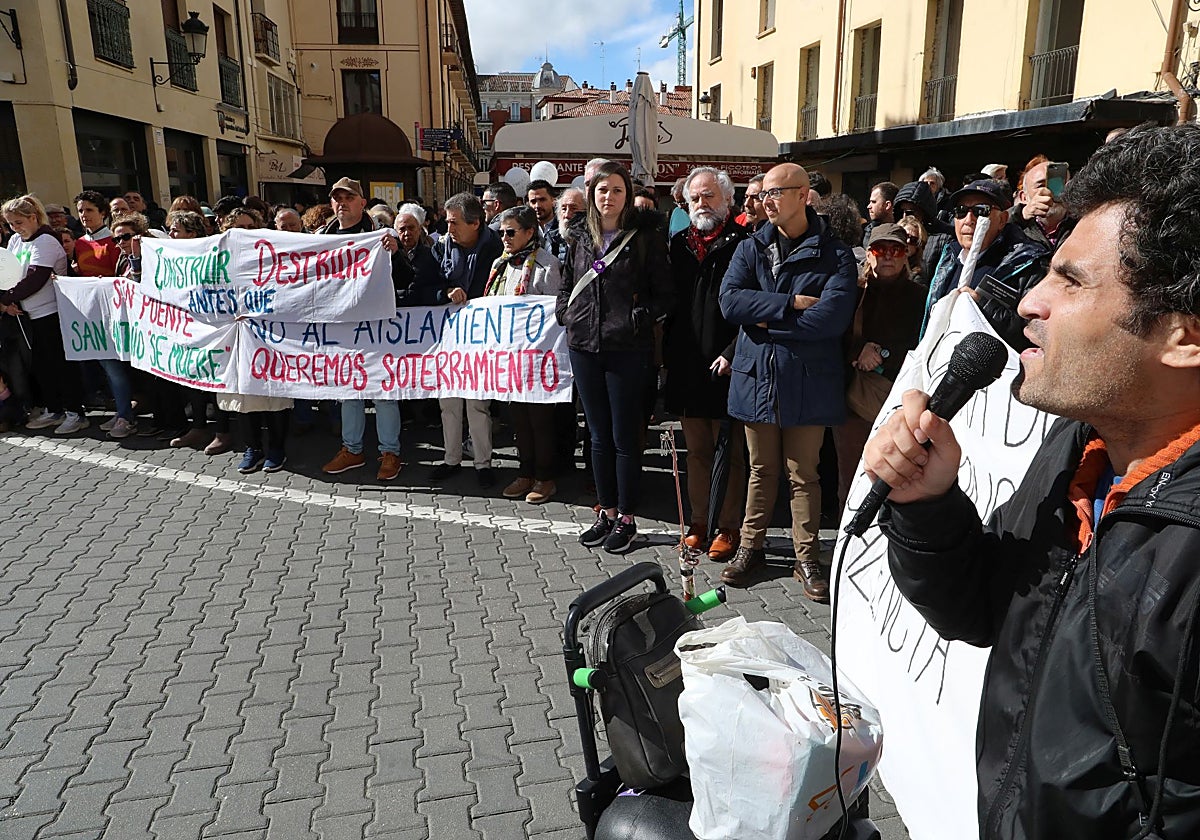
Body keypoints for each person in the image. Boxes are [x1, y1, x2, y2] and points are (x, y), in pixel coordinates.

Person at [863, 122, 1200, 840]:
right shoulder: (1082, 448)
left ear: (1185, 335)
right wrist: (928, 508)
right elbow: (990, 608)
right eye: (1049, 269)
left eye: (1070, 281)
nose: (1027, 303)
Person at [717, 163, 858, 598]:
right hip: (757, 377)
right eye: (764, 194)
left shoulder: (835, 253)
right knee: (761, 469)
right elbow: (729, 302)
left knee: (804, 474)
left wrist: (764, 322)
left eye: (777, 192)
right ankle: (750, 548)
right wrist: (788, 303)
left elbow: (831, 319)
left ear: (803, 196)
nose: (767, 201)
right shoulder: (750, 248)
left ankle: (806, 558)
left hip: (808, 380)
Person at [557, 162, 672, 553]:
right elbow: (568, 283)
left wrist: (636, 318)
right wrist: (565, 313)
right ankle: (605, 511)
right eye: (603, 190)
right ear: (593, 194)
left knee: (625, 438)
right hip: (584, 346)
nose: (609, 197)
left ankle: (627, 516)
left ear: (627, 195)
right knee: (597, 435)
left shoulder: (645, 237)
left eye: (617, 190)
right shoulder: (579, 236)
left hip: (627, 349)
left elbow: (665, 295)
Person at [664, 166, 749, 562]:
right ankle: (699, 522)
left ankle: (729, 525)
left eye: (709, 196)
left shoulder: (744, 243)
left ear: (727, 201)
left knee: (729, 452)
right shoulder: (678, 244)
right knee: (696, 451)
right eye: (694, 198)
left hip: (727, 364)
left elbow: (753, 309)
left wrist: (733, 352)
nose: (701, 203)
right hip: (687, 364)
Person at [834, 223, 925, 506]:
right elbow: (833, 336)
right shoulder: (852, 293)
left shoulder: (920, 296)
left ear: (906, 255)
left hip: (901, 402)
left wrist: (883, 355)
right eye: (880, 249)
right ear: (869, 254)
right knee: (850, 478)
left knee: (898, 479)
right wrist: (858, 350)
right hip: (854, 401)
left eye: (895, 249)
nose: (887, 256)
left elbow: (924, 345)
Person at [487, 206, 563, 504]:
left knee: (540, 420)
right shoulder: (500, 265)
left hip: (538, 358)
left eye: (510, 232)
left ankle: (545, 477)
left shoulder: (547, 266)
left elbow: (554, 312)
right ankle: (525, 472)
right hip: (510, 357)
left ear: (530, 232)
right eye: (501, 232)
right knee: (519, 419)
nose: (504, 238)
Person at [923, 178, 1051, 350]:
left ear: (1002, 219)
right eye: (960, 211)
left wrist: (983, 306)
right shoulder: (948, 258)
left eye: (981, 211)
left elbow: (1032, 333)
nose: (969, 220)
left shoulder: (1027, 264)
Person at [430, 192, 504, 487]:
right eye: (447, 222)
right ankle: (451, 459)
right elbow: (429, 283)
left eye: (454, 222)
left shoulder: (497, 250)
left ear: (475, 223)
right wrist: (445, 291)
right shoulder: (440, 248)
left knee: (477, 404)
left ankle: (482, 462)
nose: (449, 228)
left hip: (482, 338)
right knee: (448, 402)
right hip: (447, 339)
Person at [1, 195, 88, 434]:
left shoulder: (47, 241)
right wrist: (6, 302)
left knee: (60, 364)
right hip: (26, 314)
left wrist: (7, 299)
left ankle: (75, 413)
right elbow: (8, 273)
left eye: (19, 222)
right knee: (41, 366)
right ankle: (54, 409)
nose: (15, 228)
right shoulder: (16, 241)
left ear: (33, 217)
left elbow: (36, 279)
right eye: (10, 224)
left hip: (51, 312)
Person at [163, 210, 234, 455]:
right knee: (191, 377)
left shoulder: (212, 254)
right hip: (187, 326)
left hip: (215, 328)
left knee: (216, 380)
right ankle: (199, 427)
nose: (170, 234)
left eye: (176, 230)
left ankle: (223, 432)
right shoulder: (170, 257)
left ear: (191, 233)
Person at [1011, 155, 1075, 251]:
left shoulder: (1084, 223)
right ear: (1024, 197)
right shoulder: (1013, 229)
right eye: (1041, 185)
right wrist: (1020, 215)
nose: (1049, 191)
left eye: (1056, 183)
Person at [391, 203, 445, 307]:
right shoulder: (388, 257)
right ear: (395, 231)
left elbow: (437, 285)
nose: (407, 233)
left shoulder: (431, 256)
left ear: (419, 230)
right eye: (402, 229)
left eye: (411, 228)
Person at [73, 191, 120, 277]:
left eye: (89, 210)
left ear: (102, 213)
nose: (84, 215)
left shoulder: (115, 240)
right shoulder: (79, 243)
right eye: (80, 211)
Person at [546, 186, 584, 265]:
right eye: (563, 209)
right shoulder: (552, 241)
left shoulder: (593, 244)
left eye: (573, 208)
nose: (567, 215)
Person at [861, 180, 898, 246]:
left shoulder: (902, 233)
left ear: (887, 205)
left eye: (873, 202)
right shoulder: (862, 232)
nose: (868, 206)